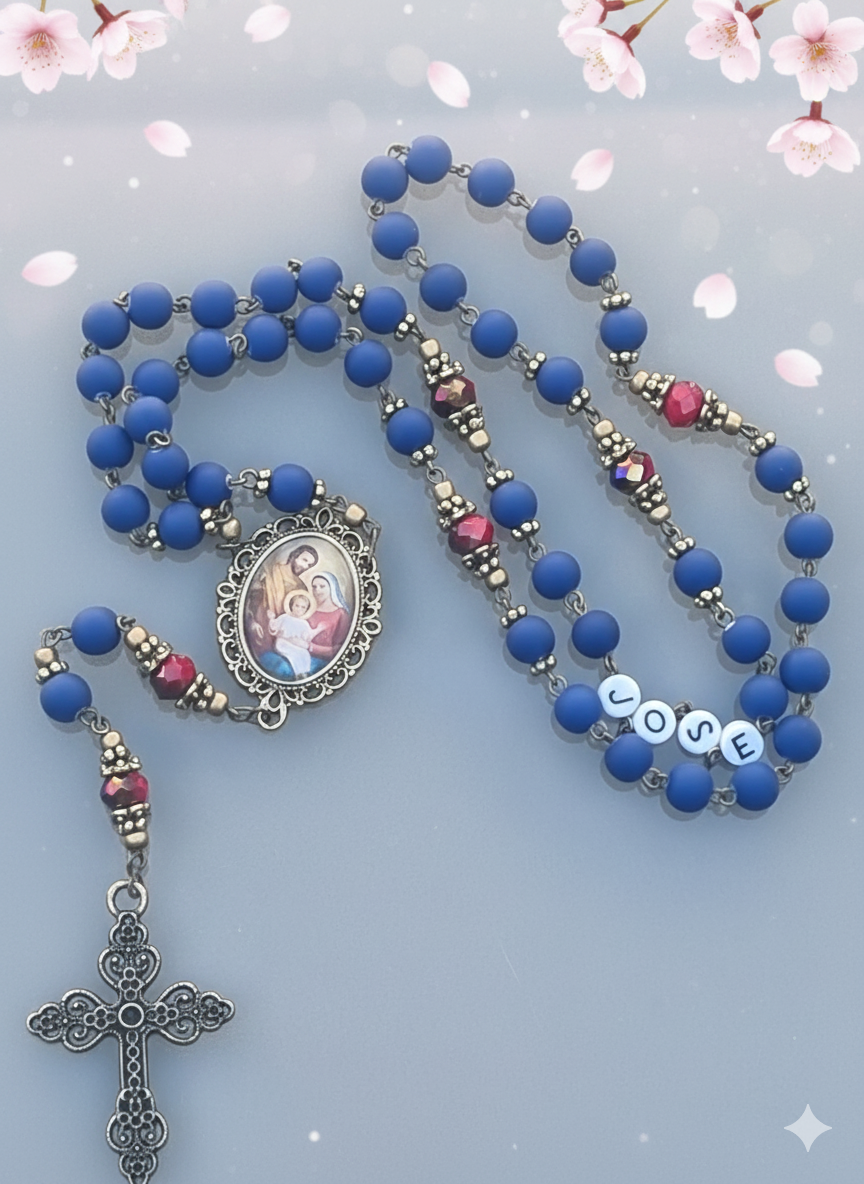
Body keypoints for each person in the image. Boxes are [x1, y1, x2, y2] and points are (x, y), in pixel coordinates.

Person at [266, 591, 324, 677]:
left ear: (306, 610)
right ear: (292, 606)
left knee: (305, 653)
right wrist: (271, 618)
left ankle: (304, 673)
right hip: (283, 643)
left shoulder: (304, 623)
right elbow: (274, 628)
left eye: (303, 607)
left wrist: (318, 630)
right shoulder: (285, 617)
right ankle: (298, 673)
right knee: (295, 654)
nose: (299, 609)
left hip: (296, 645)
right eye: (297, 606)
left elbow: (307, 637)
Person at [304, 572, 352, 663]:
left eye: (322, 586)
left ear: (331, 588)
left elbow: (339, 649)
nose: (317, 590)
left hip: (324, 661)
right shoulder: (307, 611)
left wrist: (310, 647)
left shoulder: (341, 614)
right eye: (314, 587)